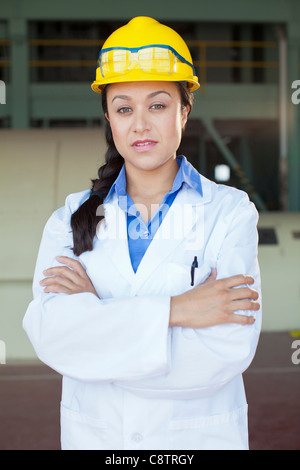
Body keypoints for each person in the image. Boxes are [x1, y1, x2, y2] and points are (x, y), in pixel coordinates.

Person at [23, 16, 261, 450]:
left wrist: (98, 330)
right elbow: (53, 336)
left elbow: (227, 350)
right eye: (124, 108)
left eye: (158, 105)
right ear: (110, 120)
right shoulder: (70, 218)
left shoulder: (229, 213)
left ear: (184, 111)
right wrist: (178, 311)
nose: (140, 125)